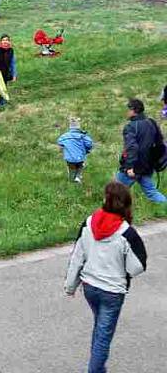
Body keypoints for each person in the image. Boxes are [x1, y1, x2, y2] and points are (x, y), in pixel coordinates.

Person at [64, 182, 147, 373]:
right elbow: (137, 267)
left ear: (105, 200)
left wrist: (70, 286)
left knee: (100, 326)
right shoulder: (126, 232)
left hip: (90, 288)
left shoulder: (89, 222)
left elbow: (77, 256)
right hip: (112, 292)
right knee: (104, 336)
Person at [114, 98, 167, 203]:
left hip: (133, 167)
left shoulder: (130, 127)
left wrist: (130, 167)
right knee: (151, 192)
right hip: (147, 166)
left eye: (128, 109)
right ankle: (164, 207)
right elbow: (160, 143)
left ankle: (111, 213)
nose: (126, 112)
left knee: (115, 192)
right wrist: (154, 163)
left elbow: (132, 148)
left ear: (134, 110)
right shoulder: (151, 122)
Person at [58, 117, 94, 183]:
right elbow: (89, 144)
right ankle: (78, 177)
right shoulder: (83, 136)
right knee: (80, 166)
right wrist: (87, 150)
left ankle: (71, 180)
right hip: (80, 157)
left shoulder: (64, 136)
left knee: (71, 168)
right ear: (78, 127)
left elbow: (60, 142)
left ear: (70, 127)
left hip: (69, 158)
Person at [0, 34, 17, 104]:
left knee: (4, 87)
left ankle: (2, 102)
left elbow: (13, 63)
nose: (5, 42)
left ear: (9, 41)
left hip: (6, 73)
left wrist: (14, 75)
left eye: (7, 40)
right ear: (0, 41)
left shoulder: (11, 50)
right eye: (3, 40)